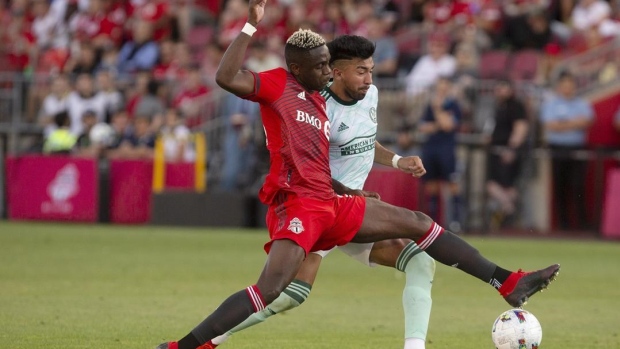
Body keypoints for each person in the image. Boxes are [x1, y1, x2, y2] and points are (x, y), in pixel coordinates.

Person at [156, 2, 560, 349]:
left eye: (330, 66)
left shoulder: (319, 96)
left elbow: (351, 147)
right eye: (322, 67)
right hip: (299, 204)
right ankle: (187, 344)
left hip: (335, 204)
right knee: (274, 290)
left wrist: (380, 172)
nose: (328, 73)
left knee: (420, 226)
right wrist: (250, 24)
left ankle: (507, 282)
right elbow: (227, 78)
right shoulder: (279, 85)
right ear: (299, 68)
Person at [209, 35, 433, 349]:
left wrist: (396, 160)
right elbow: (302, 160)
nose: (368, 78)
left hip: (351, 210)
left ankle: (415, 346)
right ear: (337, 71)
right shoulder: (315, 102)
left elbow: (364, 141)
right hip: (322, 207)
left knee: (420, 261)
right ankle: (211, 336)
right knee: (284, 293)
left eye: (370, 70)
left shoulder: (370, 94)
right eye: (361, 71)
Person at [540, 72, 594, 231]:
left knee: (578, 186)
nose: (567, 88)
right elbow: (550, 125)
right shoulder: (551, 104)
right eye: (564, 85)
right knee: (559, 187)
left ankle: (582, 225)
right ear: (559, 87)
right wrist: (573, 123)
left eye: (570, 85)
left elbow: (587, 121)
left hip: (576, 148)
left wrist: (562, 124)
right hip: (557, 149)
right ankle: (562, 226)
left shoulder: (582, 104)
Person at [418, 77, 463, 232]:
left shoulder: (453, 105)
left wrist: (438, 112)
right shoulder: (430, 105)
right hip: (431, 148)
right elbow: (423, 127)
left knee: (452, 184)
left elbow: (448, 125)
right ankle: (434, 223)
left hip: (447, 149)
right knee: (432, 186)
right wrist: (438, 123)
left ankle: (456, 222)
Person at [485, 79, 530, 229]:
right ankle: (507, 212)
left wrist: (512, 149)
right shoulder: (498, 106)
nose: (500, 91)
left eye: (503, 87)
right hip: (496, 150)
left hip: (507, 150)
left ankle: (509, 210)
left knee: (505, 186)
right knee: (496, 185)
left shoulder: (516, 106)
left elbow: (521, 128)